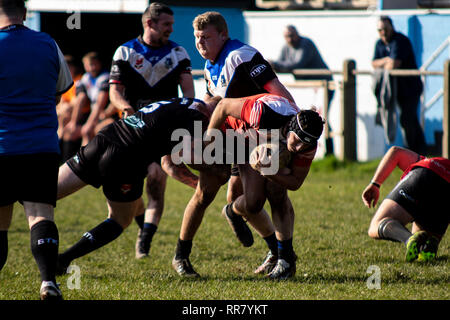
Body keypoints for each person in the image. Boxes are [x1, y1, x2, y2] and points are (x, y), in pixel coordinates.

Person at [171, 11, 296, 277]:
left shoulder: (241, 56)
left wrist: (293, 121)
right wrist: (197, 115)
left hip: (264, 133)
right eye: (197, 38)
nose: (200, 43)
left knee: (265, 198)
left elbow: (276, 89)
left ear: (223, 35)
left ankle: (282, 255)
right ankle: (181, 256)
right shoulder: (209, 64)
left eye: (206, 37)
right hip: (236, 137)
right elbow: (212, 97)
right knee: (207, 193)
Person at [55, 97, 219, 276]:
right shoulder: (199, 118)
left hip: (105, 138)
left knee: (43, 193)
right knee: (120, 220)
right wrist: (216, 172)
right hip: (126, 160)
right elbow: (190, 157)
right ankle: (63, 259)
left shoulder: (183, 102)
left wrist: (196, 185)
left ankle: (21, 193)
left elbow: (169, 163)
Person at [109, 2, 195, 259]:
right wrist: (126, 109)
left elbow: (188, 93)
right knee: (130, 189)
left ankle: (144, 242)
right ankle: (141, 227)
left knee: (156, 182)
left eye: (172, 24)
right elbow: (114, 91)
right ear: (150, 23)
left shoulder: (178, 53)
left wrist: (184, 116)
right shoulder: (125, 52)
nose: (171, 29)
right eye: (166, 24)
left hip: (163, 131)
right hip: (132, 130)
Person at [205, 93, 324, 279]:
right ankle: (233, 211)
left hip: (264, 142)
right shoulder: (262, 114)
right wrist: (209, 139)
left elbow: (295, 182)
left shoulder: (308, 142)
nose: (300, 147)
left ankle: (285, 260)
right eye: (298, 140)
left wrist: (271, 173)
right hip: (239, 136)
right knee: (253, 203)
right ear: (291, 128)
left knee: (277, 192)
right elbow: (223, 106)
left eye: (306, 144)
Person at [0, 0, 73, 300]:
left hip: (2, 147)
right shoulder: (48, 43)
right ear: (25, 12)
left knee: (1, 224)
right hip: (41, 147)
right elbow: (60, 90)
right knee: (41, 215)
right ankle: (47, 282)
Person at [362, 146, 449, 262]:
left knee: (375, 225)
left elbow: (395, 151)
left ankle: (409, 239)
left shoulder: (426, 161)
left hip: (426, 173)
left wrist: (375, 184)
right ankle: (429, 244)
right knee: (423, 241)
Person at [269, 25, 334, 155]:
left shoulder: (306, 44)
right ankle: (306, 150)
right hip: (309, 87)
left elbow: (297, 64)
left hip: (323, 85)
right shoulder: (286, 47)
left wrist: (275, 64)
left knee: (322, 117)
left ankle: (329, 151)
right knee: (306, 118)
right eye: (287, 36)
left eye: (292, 35)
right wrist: (274, 65)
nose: (290, 39)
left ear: (297, 34)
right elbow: (283, 64)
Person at [372, 16, 426, 155]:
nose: (383, 32)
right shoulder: (379, 43)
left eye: (386, 29)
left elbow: (394, 64)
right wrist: (386, 60)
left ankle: (413, 153)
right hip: (398, 90)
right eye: (380, 30)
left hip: (411, 87)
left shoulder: (400, 40)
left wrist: (384, 63)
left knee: (407, 119)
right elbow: (373, 63)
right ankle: (421, 151)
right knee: (410, 119)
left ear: (392, 28)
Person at [63, 51, 110, 155]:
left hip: (105, 115)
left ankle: (84, 164)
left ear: (99, 63)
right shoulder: (86, 78)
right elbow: (80, 99)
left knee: (88, 132)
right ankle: (66, 163)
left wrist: (89, 124)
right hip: (93, 114)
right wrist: (73, 122)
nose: (92, 68)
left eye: (94, 64)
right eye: (89, 65)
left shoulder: (106, 77)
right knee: (70, 131)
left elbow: (100, 103)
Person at [57, 54, 82, 162]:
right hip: (65, 116)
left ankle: (64, 159)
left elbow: (76, 102)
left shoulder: (79, 81)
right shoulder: (64, 82)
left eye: (69, 67)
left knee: (65, 118)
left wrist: (65, 107)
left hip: (80, 116)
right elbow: (61, 103)